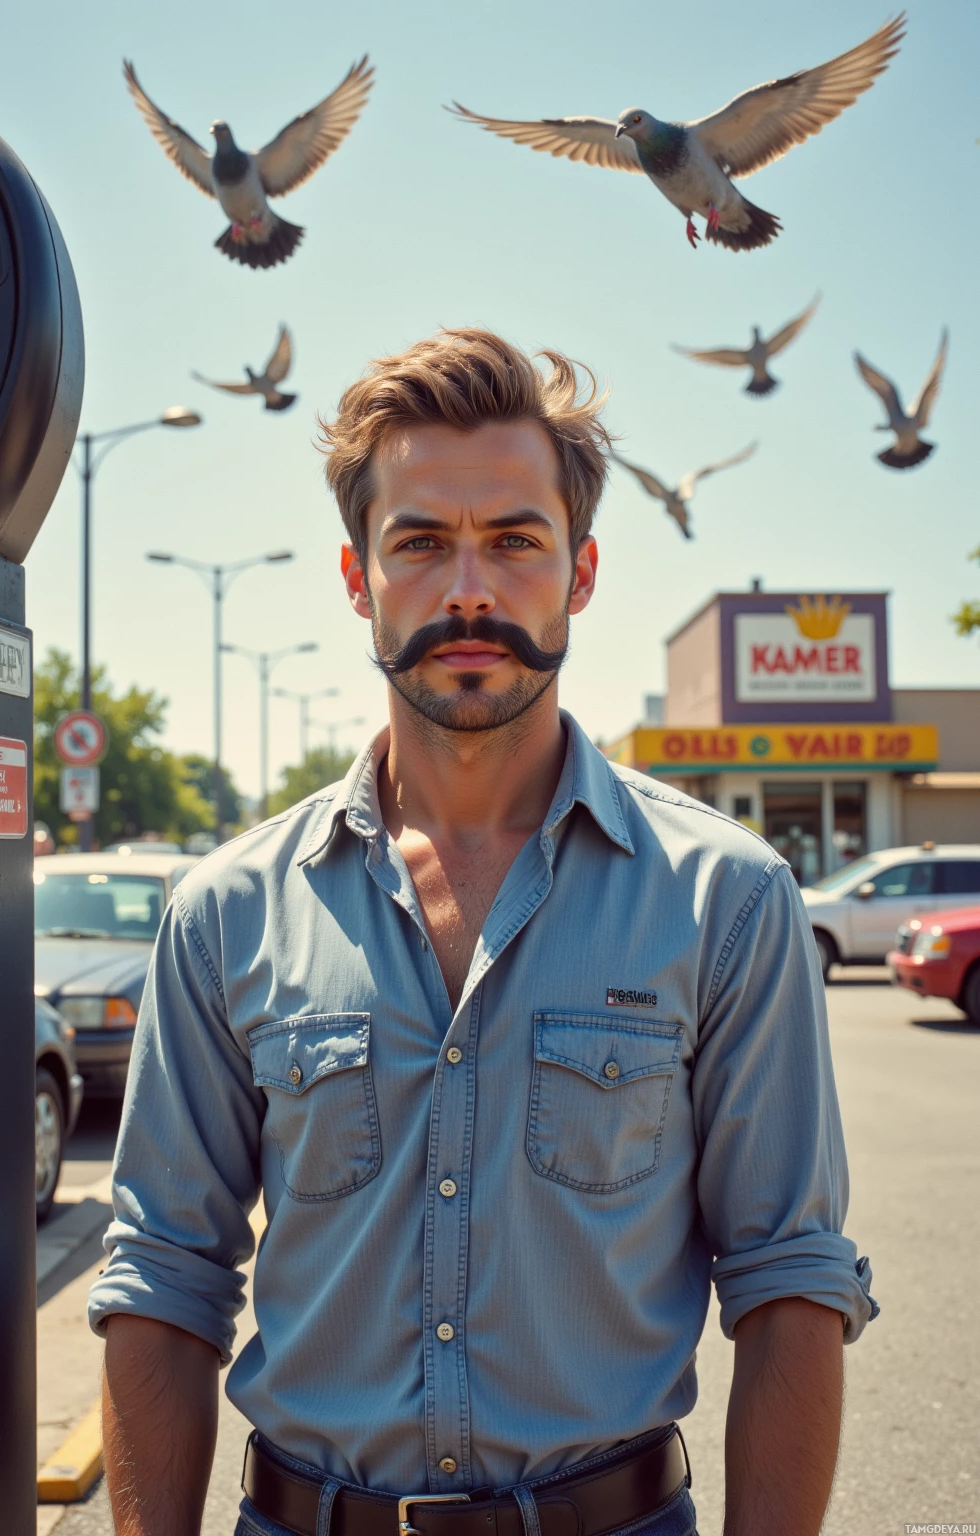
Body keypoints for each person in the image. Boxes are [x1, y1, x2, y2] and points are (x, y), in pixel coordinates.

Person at [89, 329, 876, 1536]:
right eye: (419, 543)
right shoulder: (228, 911)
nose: (468, 589)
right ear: (357, 577)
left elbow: (789, 1286)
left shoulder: (728, 898)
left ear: (583, 569)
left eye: (515, 540)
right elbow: (165, 1279)